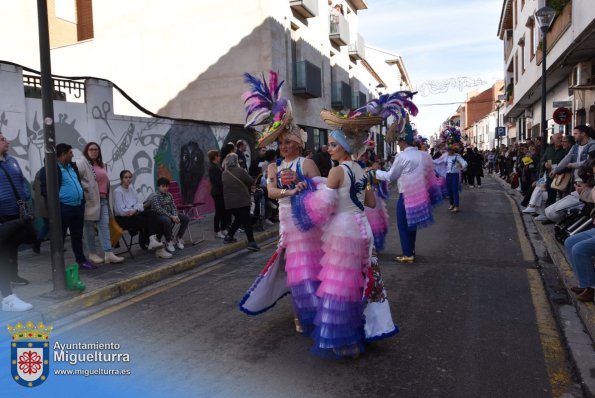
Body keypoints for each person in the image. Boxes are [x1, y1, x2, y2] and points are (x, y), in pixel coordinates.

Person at [239, 71, 322, 335]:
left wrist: (304, 187)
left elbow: (322, 193)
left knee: (312, 269)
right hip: (287, 226)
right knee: (295, 272)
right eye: (281, 142)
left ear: (298, 143)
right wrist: (290, 193)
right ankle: (300, 314)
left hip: (308, 224)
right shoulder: (274, 167)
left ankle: (315, 311)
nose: (284, 146)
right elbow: (272, 192)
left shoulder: (306, 163)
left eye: (288, 142)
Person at [375, 124, 441, 262]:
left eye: (398, 141)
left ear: (403, 141)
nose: (398, 144)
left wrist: (375, 172)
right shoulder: (424, 155)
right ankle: (411, 250)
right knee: (413, 224)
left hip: (406, 195)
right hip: (421, 195)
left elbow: (390, 176)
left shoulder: (402, 156)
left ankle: (407, 254)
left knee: (403, 224)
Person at [41, 143, 97, 270]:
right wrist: (56, 205)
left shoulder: (72, 167)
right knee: (59, 237)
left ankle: (81, 260)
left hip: (78, 207)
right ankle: (58, 265)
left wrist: (82, 200)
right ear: (63, 154)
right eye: (70, 153)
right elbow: (45, 190)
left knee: (77, 236)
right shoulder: (51, 168)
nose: (72, 155)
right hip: (63, 208)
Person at [0, 132, 33, 311]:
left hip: (17, 216)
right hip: (2, 219)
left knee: (12, 250)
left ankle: (8, 294)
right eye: (2, 139)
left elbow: (20, 182)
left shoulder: (12, 161)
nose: (7, 141)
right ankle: (8, 298)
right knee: (3, 255)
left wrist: (25, 197)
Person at [76, 142, 124, 264]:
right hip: (90, 201)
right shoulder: (81, 163)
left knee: (104, 227)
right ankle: (92, 253)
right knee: (89, 229)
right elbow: (77, 179)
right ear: (86, 151)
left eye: (96, 149)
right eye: (91, 149)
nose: (94, 151)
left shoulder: (102, 164)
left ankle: (108, 253)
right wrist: (87, 188)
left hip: (103, 200)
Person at [112, 170, 171, 259]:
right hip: (122, 219)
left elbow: (140, 205)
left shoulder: (131, 189)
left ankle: (152, 241)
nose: (128, 179)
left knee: (152, 214)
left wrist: (135, 209)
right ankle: (156, 246)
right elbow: (121, 211)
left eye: (130, 177)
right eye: (126, 177)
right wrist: (134, 209)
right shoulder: (118, 192)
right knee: (147, 221)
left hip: (134, 214)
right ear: (121, 179)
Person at [222, 153, 260, 251]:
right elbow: (251, 181)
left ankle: (229, 236)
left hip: (229, 202)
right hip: (241, 200)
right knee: (246, 221)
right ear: (236, 161)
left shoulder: (224, 173)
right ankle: (251, 242)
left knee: (238, 219)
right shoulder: (240, 171)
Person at [150, 177, 190, 252]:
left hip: (171, 215)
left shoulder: (169, 195)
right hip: (159, 216)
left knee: (186, 218)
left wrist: (175, 215)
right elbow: (159, 210)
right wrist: (171, 216)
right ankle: (168, 241)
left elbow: (173, 206)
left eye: (167, 186)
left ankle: (179, 237)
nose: (165, 188)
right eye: (163, 186)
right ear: (159, 187)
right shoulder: (155, 196)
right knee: (167, 220)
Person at [433, 129, 467, 213]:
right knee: (449, 191)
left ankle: (456, 206)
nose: (448, 151)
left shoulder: (457, 156)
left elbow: (465, 163)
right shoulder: (446, 156)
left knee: (454, 190)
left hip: (455, 175)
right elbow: (438, 161)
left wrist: (461, 167)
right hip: (448, 175)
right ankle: (451, 204)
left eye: (450, 150)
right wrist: (428, 160)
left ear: (453, 150)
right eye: (448, 150)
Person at [207, 150, 228, 239]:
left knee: (224, 210)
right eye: (218, 156)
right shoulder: (212, 168)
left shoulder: (217, 166)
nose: (220, 157)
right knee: (219, 211)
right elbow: (216, 181)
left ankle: (223, 228)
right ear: (215, 157)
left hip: (221, 191)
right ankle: (217, 230)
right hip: (217, 192)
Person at [31, 166, 49, 254]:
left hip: (40, 204)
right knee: (50, 225)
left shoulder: (39, 171)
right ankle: (37, 242)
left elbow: (34, 186)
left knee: (48, 224)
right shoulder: (50, 171)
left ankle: (37, 242)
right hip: (47, 203)